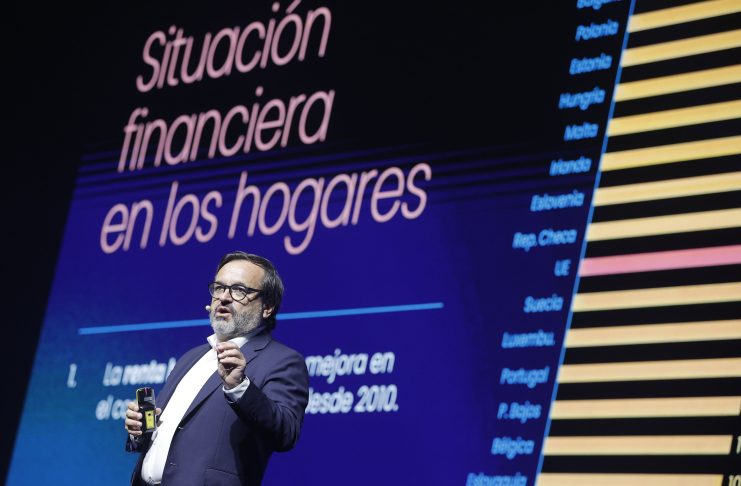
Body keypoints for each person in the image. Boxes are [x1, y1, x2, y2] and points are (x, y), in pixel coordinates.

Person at [124, 251, 309, 485]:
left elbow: (285, 433)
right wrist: (139, 431)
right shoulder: (191, 358)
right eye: (219, 288)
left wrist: (239, 387)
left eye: (239, 290)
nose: (224, 297)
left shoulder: (282, 360)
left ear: (267, 307)